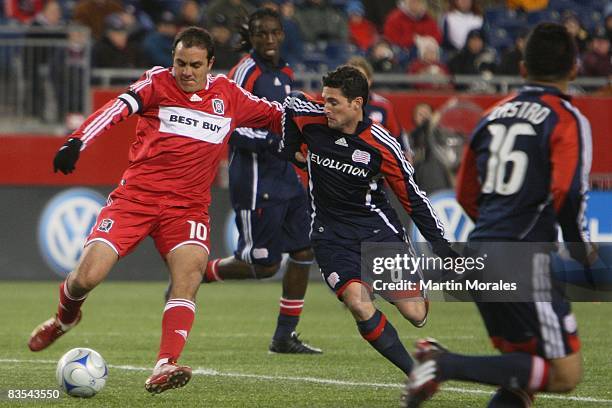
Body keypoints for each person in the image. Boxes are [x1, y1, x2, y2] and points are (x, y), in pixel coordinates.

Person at [28, 27, 284, 394]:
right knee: (86, 277)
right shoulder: (157, 82)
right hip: (136, 200)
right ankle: (64, 320)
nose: (186, 72)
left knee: (190, 275)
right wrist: (77, 140)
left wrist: (321, 125)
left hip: (187, 209)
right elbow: (117, 108)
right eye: (180, 63)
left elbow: (278, 116)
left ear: (210, 65)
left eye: (195, 65)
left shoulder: (228, 95)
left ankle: (165, 363)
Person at [403, 23, 597, 407]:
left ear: (522, 69)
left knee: (521, 377)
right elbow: (567, 190)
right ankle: (443, 363)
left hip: (481, 254)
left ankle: (443, 364)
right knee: (563, 374)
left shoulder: (492, 116)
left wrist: (496, 232)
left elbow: (465, 195)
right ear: (574, 69)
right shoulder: (566, 117)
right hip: (525, 260)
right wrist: (579, 250)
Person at [280, 66, 456, 377]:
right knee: (359, 304)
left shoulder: (382, 145)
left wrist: (444, 251)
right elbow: (290, 105)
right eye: (325, 101)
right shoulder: (312, 118)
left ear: (357, 104)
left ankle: (403, 287)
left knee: (415, 314)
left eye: (334, 103)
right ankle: (417, 374)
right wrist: (293, 150)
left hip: (376, 233)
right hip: (330, 235)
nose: (326, 108)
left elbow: (413, 200)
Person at [176, 8, 322, 354]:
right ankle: (197, 275)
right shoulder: (244, 72)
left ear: (282, 34)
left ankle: (285, 335)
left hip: (285, 176)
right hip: (257, 179)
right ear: (251, 36)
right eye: (261, 33)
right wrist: (279, 143)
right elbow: (228, 126)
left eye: (274, 32)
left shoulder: (285, 71)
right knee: (263, 263)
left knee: (304, 249)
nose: (268, 39)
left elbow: (284, 117)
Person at [346, 56, 410, 156]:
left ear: (370, 80)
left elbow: (397, 136)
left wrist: (406, 155)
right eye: (352, 78)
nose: (357, 82)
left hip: (378, 161)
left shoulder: (383, 105)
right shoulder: (338, 106)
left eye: (361, 77)